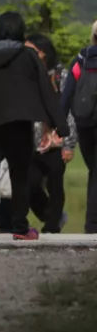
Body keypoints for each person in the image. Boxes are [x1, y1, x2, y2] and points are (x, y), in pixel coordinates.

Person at [0, 12, 69, 241]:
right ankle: (20, 228)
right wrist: (60, 125)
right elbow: (45, 91)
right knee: (20, 177)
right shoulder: (28, 56)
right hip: (19, 124)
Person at [25, 33, 75, 233]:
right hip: (32, 140)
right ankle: (49, 214)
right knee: (30, 183)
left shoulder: (61, 75)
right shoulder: (26, 75)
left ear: (43, 53)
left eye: (32, 50)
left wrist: (68, 143)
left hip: (56, 140)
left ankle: (52, 226)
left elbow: (70, 111)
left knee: (55, 185)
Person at [61, 19, 97, 233]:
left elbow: (66, 97)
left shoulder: (80, 61)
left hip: (84, 125)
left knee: (94, 170)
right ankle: (92, 225)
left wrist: (59, 127)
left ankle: (92, 224)